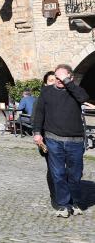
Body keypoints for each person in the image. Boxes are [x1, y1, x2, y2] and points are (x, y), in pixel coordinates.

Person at [33, 64, 90, 218]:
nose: (58, 80)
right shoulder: (46, 92)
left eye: (62, 77)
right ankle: (63, 205)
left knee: (75, 174)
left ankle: (75, 202)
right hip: (53, 139)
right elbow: (39, 113)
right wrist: (37, 133)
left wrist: (68, 83)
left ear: (70, 77)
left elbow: (84, 98)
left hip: (75, 140)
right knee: (58, 174)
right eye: (57, 77)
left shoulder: (76, 91)